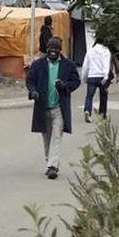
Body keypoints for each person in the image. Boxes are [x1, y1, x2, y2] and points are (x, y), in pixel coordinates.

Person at [26, 37, 81, 180]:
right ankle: (49, 161)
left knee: (56, 137)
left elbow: (76, 81)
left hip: (59, 109)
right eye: (51, 48)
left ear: (60, 50)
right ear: (47, 49)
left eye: (56, 48)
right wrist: (33, 92)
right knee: (46, 137)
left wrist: (65, 86)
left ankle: (53, 167)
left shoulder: (68, 65)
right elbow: (30, 81)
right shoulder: (38, 65)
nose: (53, 51)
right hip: (43, 107)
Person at [81, 38, 112, 122]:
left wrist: (84, 77)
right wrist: (106, 76)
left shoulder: (90, 51)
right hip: (102, 76)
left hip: (92, 76)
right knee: (103, 96)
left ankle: (87, 111)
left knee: (89, 96)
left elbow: (85, 66)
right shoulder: (106, 51)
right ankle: (102, 114)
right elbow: (106, 64)